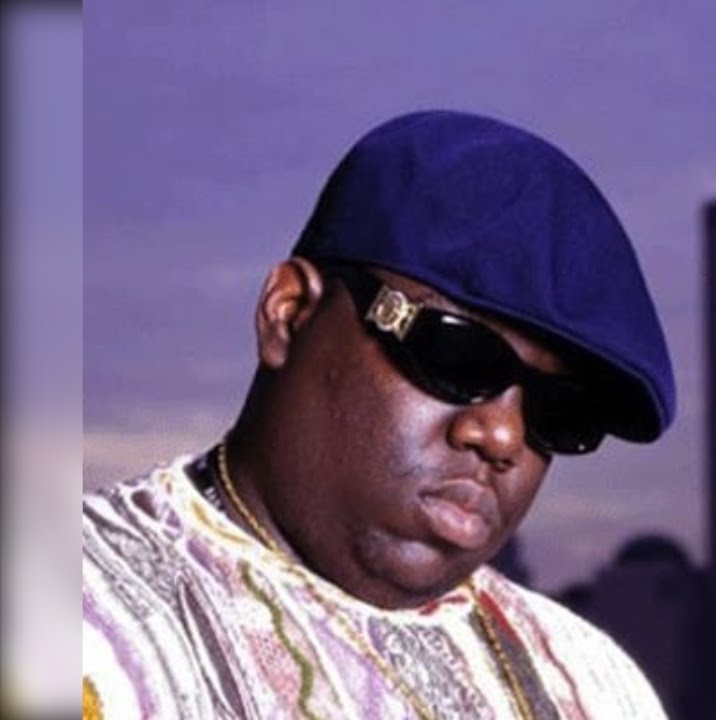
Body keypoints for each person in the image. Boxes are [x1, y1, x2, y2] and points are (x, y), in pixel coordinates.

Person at [82, 111, 676, 719]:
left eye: (563, 413)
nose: (503, 435)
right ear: (289, 314)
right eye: (456, 355)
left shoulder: (592, 684)